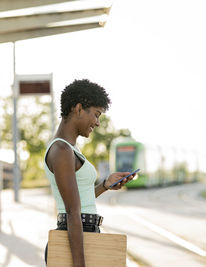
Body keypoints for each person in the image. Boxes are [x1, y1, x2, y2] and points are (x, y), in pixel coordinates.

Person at [43, 79, 136, 267]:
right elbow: (72, 211)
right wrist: (79, 264)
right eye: (96, 114)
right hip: (75, 239)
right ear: (78, 109)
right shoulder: (61, 150)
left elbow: (78, 201)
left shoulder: (70, 149)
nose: (98, 123)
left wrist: (104, 185)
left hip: (84, 234)